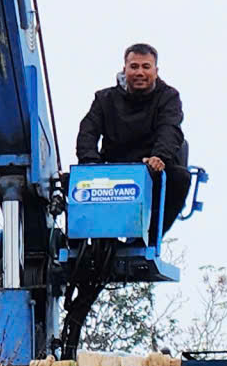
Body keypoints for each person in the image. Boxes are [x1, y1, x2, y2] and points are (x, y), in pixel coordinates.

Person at [74, 43, 191, 241]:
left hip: (151, 166)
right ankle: (93, 243)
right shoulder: (104, 99)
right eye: (134, 67)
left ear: (155, 70)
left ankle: (149, 239)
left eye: (146, 67)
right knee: (79, 182)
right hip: (113, 167)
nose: (140, 72)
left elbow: (170, 129)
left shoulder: (169, 97)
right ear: (124, 69)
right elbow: (88, 131)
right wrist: (90, 162)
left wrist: (159, 157)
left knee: (180, 179)